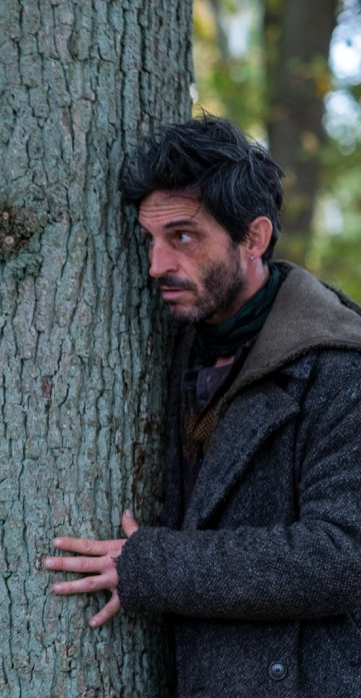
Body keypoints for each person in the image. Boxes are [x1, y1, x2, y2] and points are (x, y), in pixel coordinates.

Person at [43, 115, 361, 696]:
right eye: (151, 239)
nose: (157, 265)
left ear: (254, 238)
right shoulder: (172, 348)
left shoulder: (338, 365)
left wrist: (153, 566)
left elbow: (343, 556)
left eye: (183, 237)